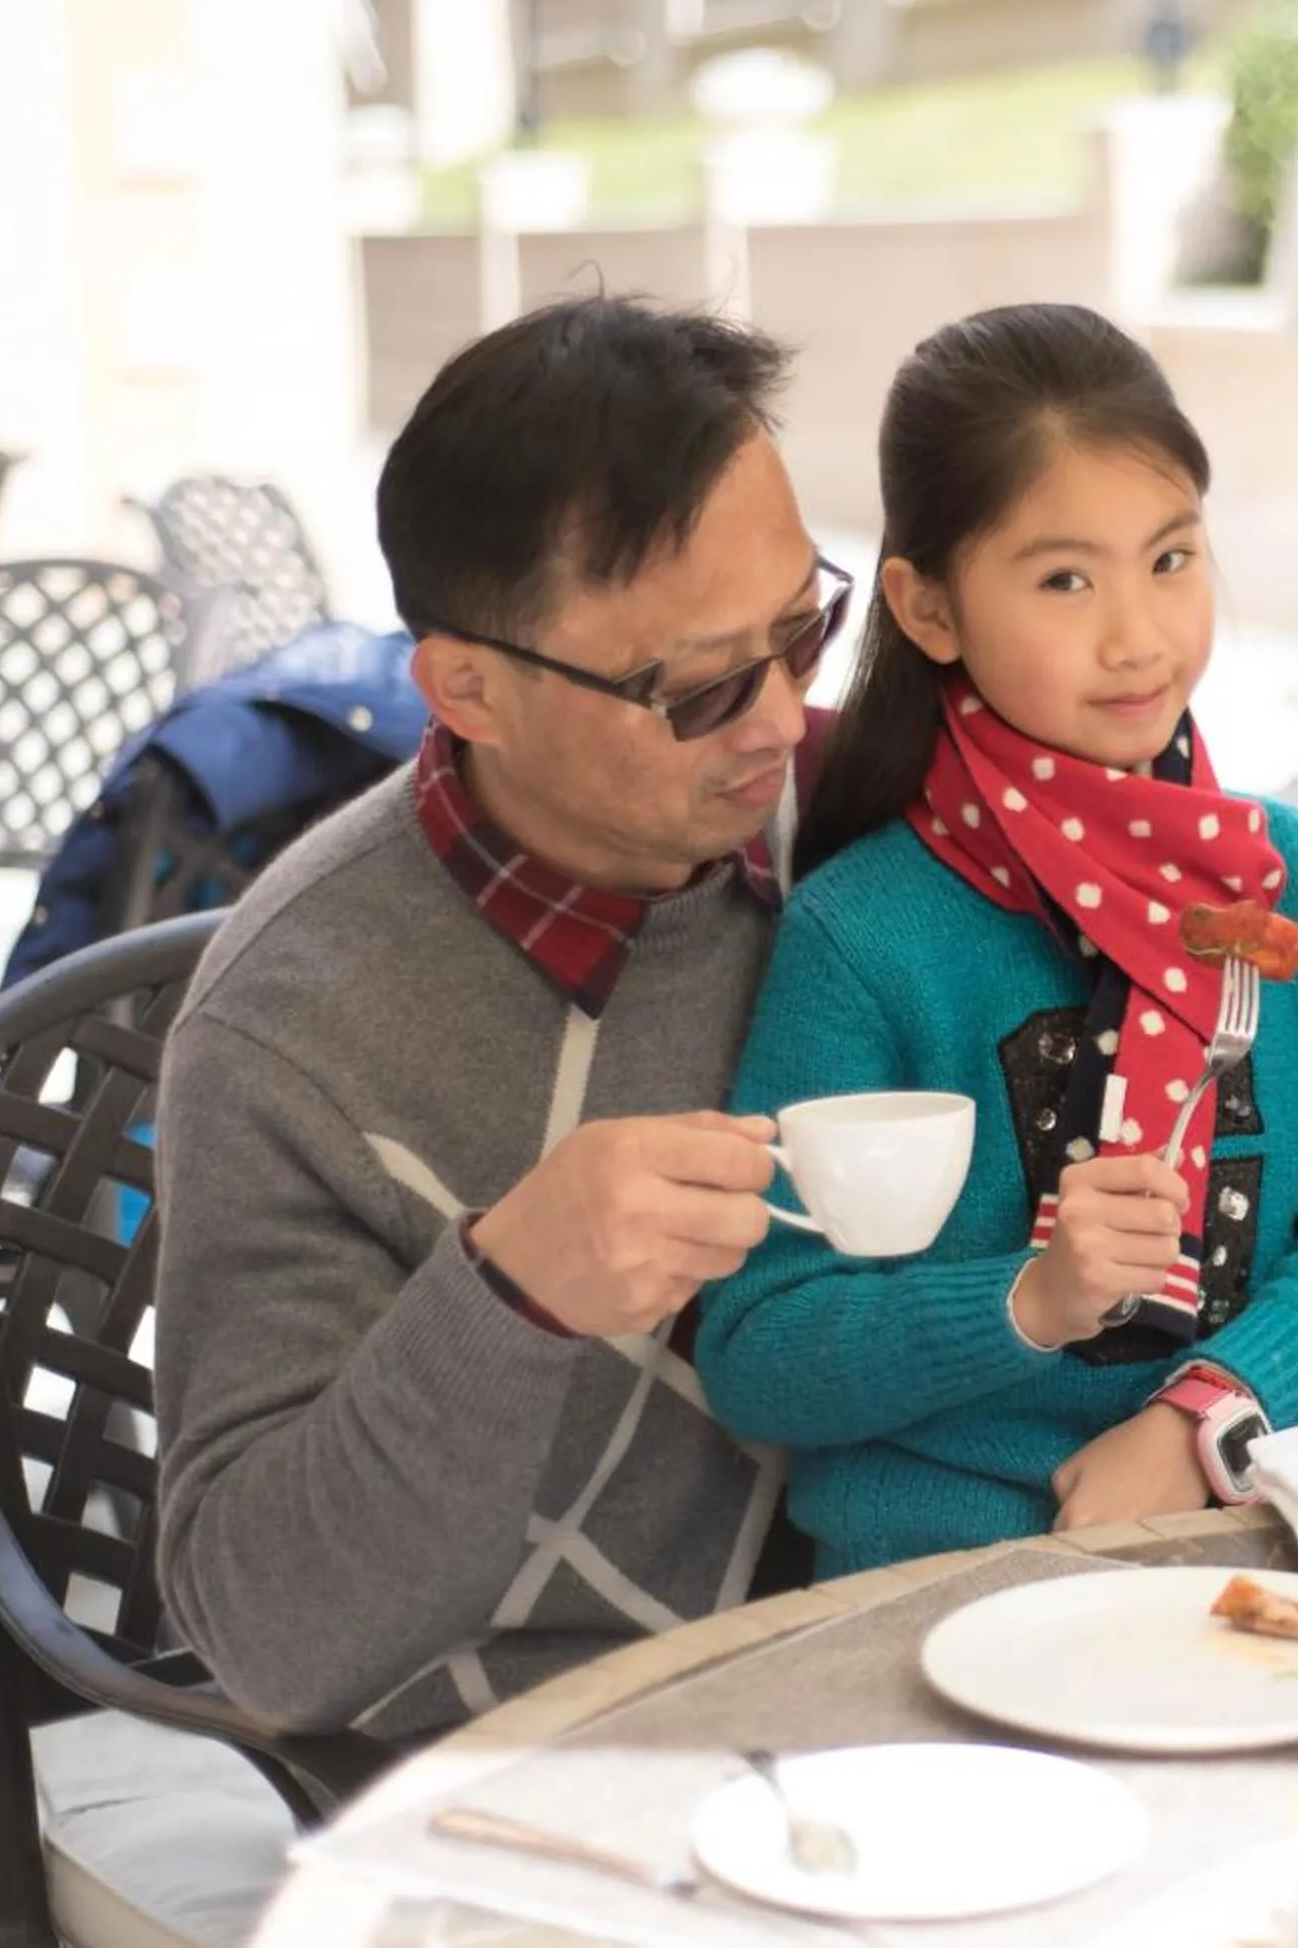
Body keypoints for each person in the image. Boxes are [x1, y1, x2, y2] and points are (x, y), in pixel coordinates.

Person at [154, 298, 843, 1738]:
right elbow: (267, 1633)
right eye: (705, 684)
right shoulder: (295, 1025)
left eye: (804, 632)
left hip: (897, 1665)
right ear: (468, 687)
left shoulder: (861, 824)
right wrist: (510, 1291)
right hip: (533, 1762)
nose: (780, 720)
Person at [696, 302, 1298, 1576]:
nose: (1138, 636)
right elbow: (761, 1347)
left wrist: (1202, 1411)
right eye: (1064, 580)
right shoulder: (866, 932)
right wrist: (1024, 1302)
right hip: (936, 1576)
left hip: (1240, 1538)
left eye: (1170, 559)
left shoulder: (1284, 880)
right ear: (929, 609)